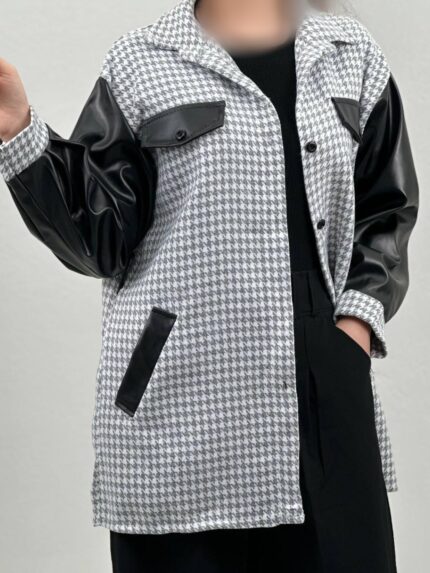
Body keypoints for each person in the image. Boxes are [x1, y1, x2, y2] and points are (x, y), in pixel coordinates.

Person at [0, 0, 419, 571]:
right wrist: (19, 132)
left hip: (326, 391)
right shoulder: (141, 60)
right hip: (182, 400)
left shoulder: (350, 54)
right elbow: (100, 238)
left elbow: (387, 205)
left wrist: (355, 326)